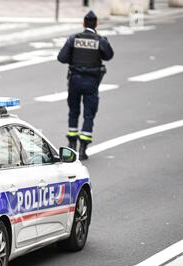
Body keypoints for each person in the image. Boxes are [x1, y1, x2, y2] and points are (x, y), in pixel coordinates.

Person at [57, 10, 114, 160]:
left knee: (73, 112)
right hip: (92, 82)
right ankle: (83, 149)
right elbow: (109, 56)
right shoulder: (100, 40)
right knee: (89, 114)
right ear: (96, 24)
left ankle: (71, 146)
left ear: (83, 24)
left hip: (74, 81)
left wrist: (72, 58)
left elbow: (62, 58)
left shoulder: (73, 39)